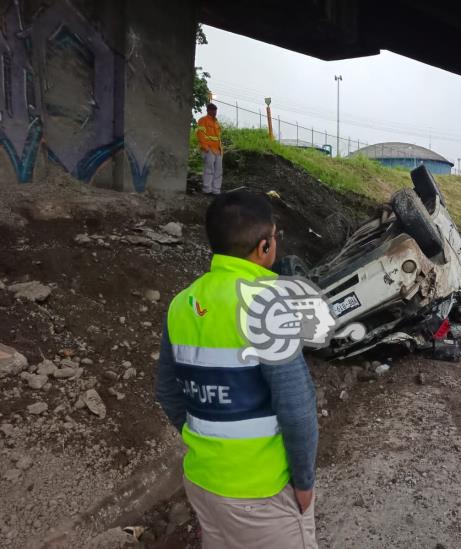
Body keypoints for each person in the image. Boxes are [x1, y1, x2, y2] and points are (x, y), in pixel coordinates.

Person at [156, 190, 318, 549]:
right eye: (274, 238)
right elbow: (297, 407)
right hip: (260, 492)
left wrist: (209, 443)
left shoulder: (182, 303)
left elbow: (167, 390)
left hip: (203, 483)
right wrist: (304, 483)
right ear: (264, 246)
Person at [196, 103, 223, 195]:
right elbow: (200, 135)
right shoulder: (203, 120)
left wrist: (220, 150)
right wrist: (205, 148)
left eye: (215, 110)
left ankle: (216, 191)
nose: (215, 112)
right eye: (213, 110)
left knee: (218, 171)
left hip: (217, 150)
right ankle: (207, 190)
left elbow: (218, 138)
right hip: (208, 149)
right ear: (208, 110)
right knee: (209, 170)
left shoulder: (216, 122)